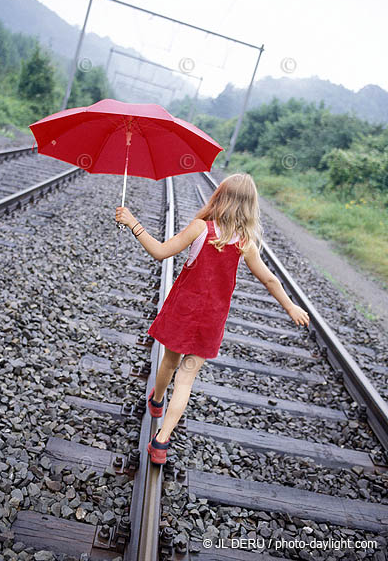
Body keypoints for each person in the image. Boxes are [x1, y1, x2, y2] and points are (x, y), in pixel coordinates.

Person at [115, 173, 310, 465]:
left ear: (218, 197)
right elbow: (269, 280)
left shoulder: (200, 229)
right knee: (186, 378)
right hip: (210, 321)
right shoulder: (246, 243)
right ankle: (161, 442)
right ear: (250, 207)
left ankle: (156, 402)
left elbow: (159, 252)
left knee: (169, 360)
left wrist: (134, 224)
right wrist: (291, 307)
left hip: (183, 312)